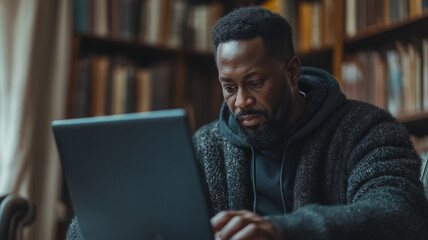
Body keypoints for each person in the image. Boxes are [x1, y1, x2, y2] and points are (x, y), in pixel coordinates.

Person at [67, 6, 428, 240]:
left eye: (255, 83)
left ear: (291, 71)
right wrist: (101, 222)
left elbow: (400, 212)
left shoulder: (366, 130)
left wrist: (282, 231)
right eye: (229, 87)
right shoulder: (205, 146)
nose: (241, 101)